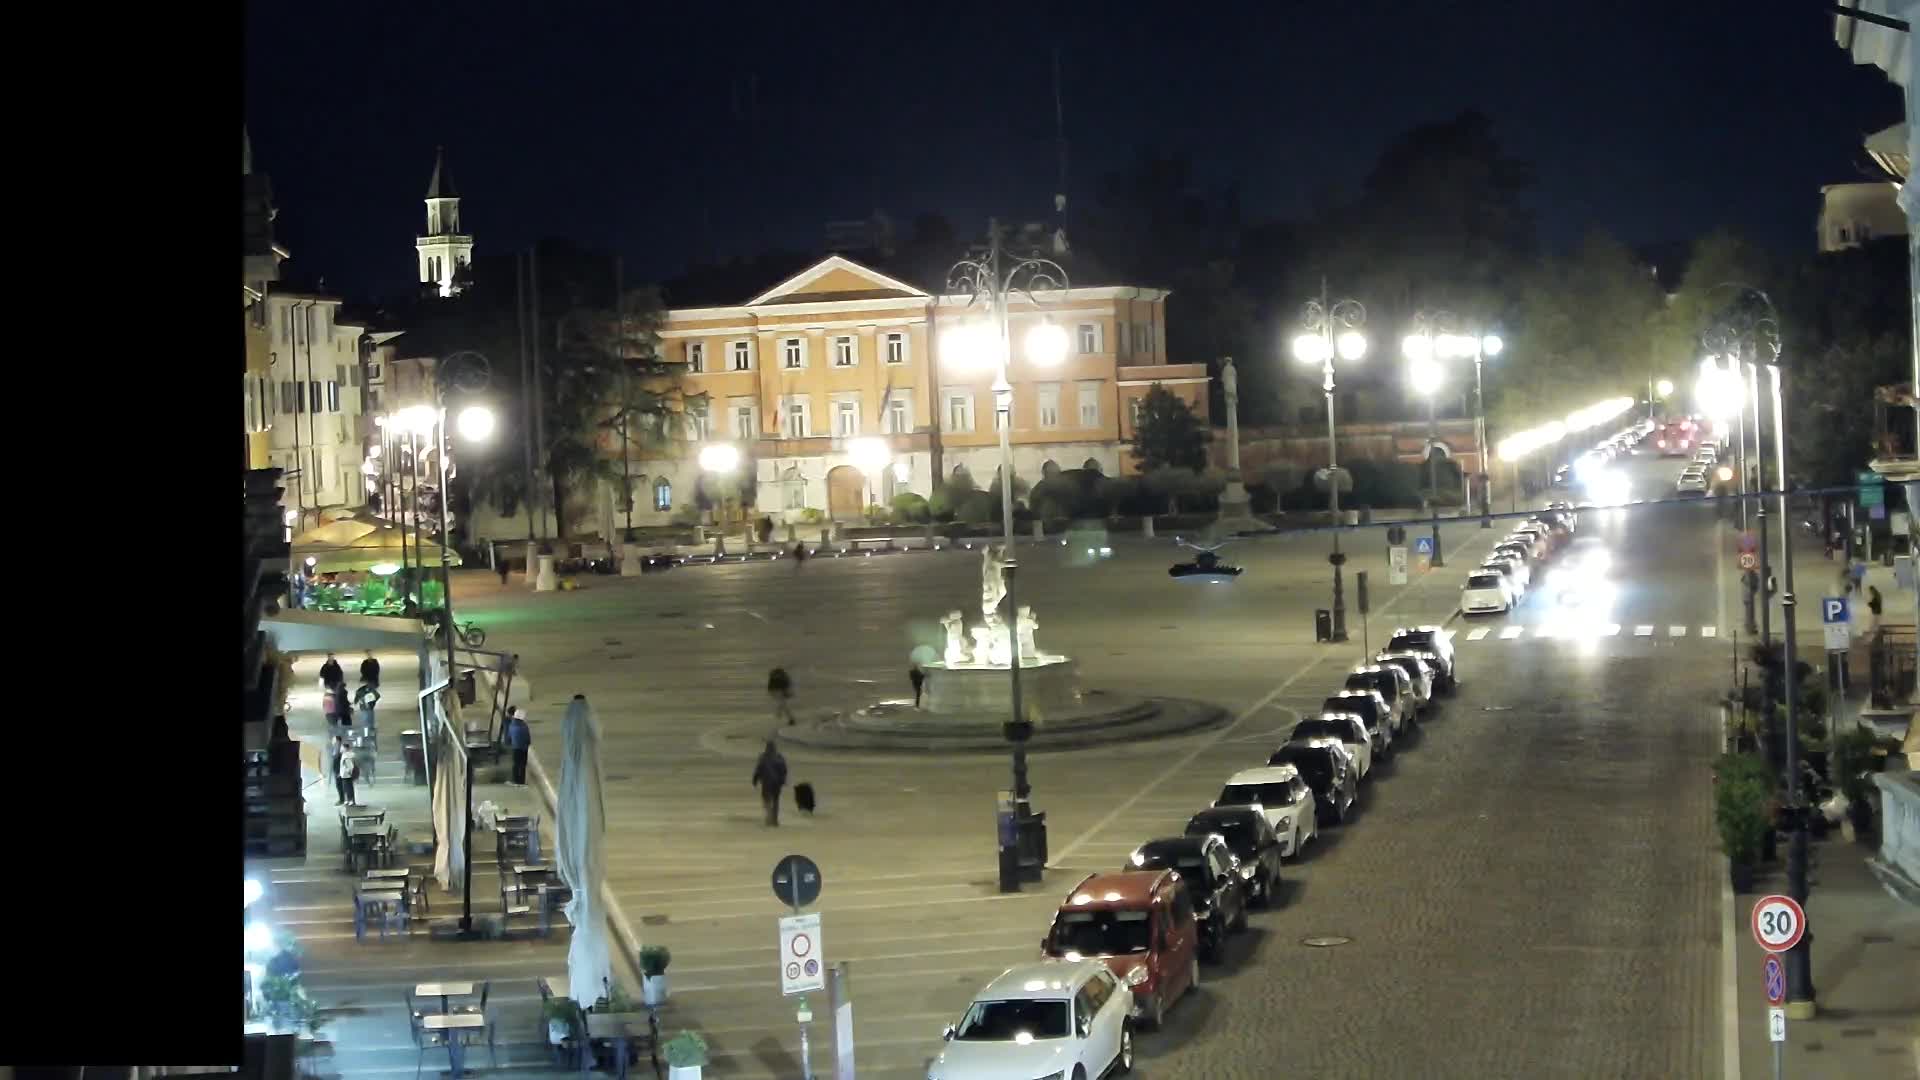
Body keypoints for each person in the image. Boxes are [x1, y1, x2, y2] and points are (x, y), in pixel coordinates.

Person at [751, 740, 788, 827]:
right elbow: (784, 770)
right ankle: (774, 820)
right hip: (777, 783)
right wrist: (783, 780)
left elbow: (758, 769)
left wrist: (755, 780)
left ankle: (769, 816)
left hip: (767, 782)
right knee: (775, 801)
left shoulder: (763, 757)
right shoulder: (779, 757)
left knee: (766, 799)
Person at [505, 707, 531, 786]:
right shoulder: (525, 726)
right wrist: (527, 744)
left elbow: (509, 737)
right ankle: (521, 781)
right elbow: (528, 738)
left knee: (516, 764)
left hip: (516, 748)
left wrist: (508, 743)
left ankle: (516, 780)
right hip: (524, 748)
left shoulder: (511, 725)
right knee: (523, 765)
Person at [336, 737, 359, 806]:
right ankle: (349, 800)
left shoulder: (347, 756)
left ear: (345, 748)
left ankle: (351, 800)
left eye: (341, 748)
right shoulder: (346, 755)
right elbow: (343, 766)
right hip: (345, 775)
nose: (340, 749)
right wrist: (341, 773)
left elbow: (350, 766)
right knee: (347, 788)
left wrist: (348, 773)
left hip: (347, 776)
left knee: (348, 788)